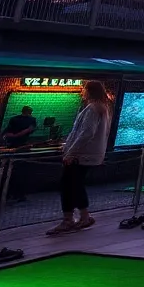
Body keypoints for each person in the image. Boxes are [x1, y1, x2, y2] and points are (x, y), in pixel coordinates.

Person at [47, 81, 112, 236]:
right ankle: (82, 216)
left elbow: (86, 133)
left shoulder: (92, 108)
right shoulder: (104, 108)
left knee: (68, 184)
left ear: (89, 91)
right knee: (74, 183)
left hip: (81, 155)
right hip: (90, 154)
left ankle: (71, 219)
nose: (82, 92)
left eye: (84, 89)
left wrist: (71, 152)